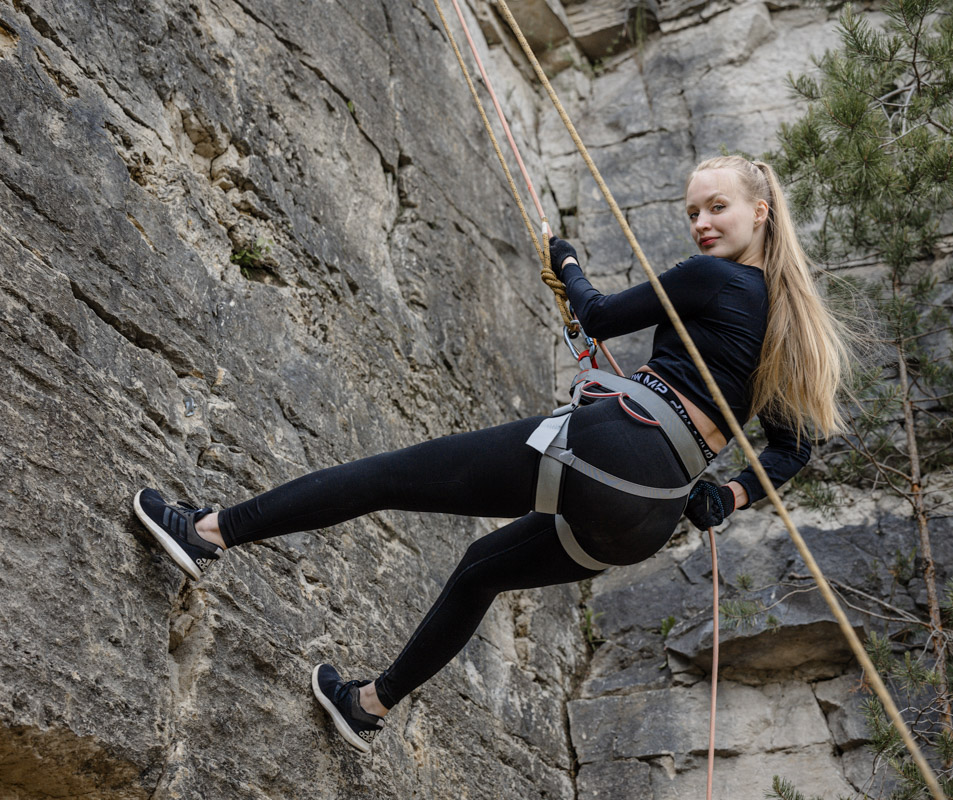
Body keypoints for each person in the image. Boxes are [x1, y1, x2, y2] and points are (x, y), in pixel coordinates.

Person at [132, 154, 855, 753]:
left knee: (387, 477)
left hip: (613, 445)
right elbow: (795, 451)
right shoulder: (791, 326)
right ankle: (369, 706)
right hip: (649, 516)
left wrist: (566, 262)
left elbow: (598, 314)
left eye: (716, 208)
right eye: (692, 211)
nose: (701, 224)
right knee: (481, 573)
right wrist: (725, 499)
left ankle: (205, 532)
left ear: (760, 212)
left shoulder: (712, 278)